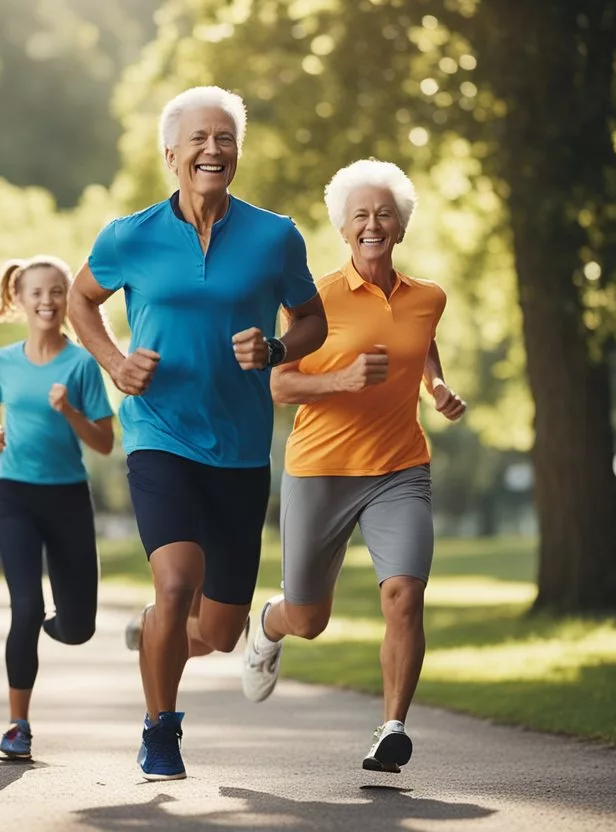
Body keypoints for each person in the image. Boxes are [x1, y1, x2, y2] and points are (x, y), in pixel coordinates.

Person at [67, 86, 329, 781]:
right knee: (177, 579)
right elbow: (79, 298)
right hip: (158, 433)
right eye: (200, 140)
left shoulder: (275, 236)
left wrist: (275, 350)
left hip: (239, 449)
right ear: (172, 154)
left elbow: (313, 322)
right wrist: (116, 361)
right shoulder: (131, 235)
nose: (213, 151)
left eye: (225, 140)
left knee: (213, 633)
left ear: (236, 152)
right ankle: (161, 729)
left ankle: (156, 628)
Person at [242, 159, 466, 773]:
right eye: (360, 216)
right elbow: (279, 386)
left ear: (401, 225)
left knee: (404, 595)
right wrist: (341, 378)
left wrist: (436, 385)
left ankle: (392, 728)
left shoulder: (429, 297)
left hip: (400, 469)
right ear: (343, 228)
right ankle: (270, 620)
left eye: (384, 214)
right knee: (309, 618)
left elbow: (420, 340)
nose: (373, 225)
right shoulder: (315, 301)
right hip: (321, 469)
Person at [0, 255, 115, 761]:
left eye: (58, 291)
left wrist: (70, 411)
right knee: (26, 606)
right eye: (37, 292)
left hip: (68, 498)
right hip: (15, 495)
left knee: (78, 629)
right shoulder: (4, 360)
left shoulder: (80, 364)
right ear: (19, 299)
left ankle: (49, 622)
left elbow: (102, 441)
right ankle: (18, 725)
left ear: (66, 300)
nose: (48, 301)